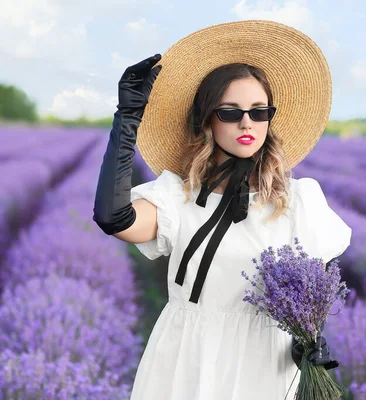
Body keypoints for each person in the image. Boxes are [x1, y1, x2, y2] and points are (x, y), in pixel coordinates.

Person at [92, 20, 352, 400]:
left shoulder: (300, 201)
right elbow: (114, 218)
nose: (246, 122)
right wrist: (127, 118)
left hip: (267, 366)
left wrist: (311, 339)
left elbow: (314, 291)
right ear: (207, 120)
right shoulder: (177, 197)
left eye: (259, 111)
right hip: (187, 360)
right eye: (229, 111)